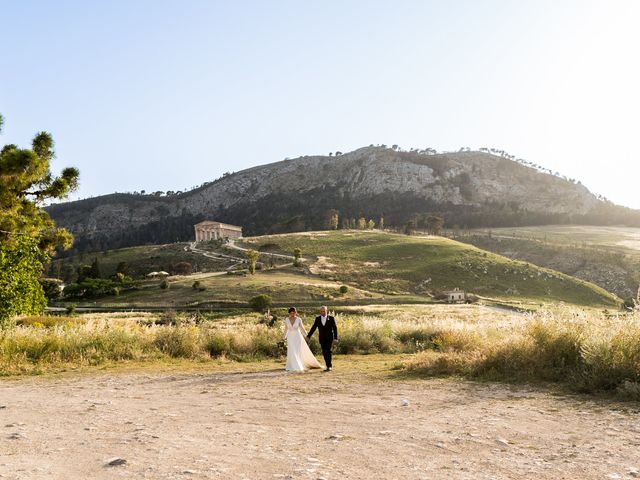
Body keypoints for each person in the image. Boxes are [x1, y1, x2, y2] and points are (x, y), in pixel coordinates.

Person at [283, 307, 322, 371]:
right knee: (291, 350)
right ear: (289, 313)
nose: (293, 314)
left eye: (294, 313)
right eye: (291, 313)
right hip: (290, 337)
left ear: (296, 312)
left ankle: (298, 365)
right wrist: (283, 337)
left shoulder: (299, 319)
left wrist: (307, 336)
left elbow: (302, 328)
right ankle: (292, 365)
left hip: (297, 336)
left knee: (297, 351)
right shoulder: (287, 319)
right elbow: (286, 329)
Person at [306, 305, 338, 371]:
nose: (322, 313)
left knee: (328, 351)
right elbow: (313, 328)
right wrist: (308, 336)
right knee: (324, 352)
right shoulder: (317, 319)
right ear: (320, 312)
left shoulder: (331, 318)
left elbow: (335, 328)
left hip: (329, 338)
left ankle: (329, 366)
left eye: (324, 311)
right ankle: (327, 364)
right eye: (321, 311)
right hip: (322, 338)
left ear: (326, 311)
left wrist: (335, 338)